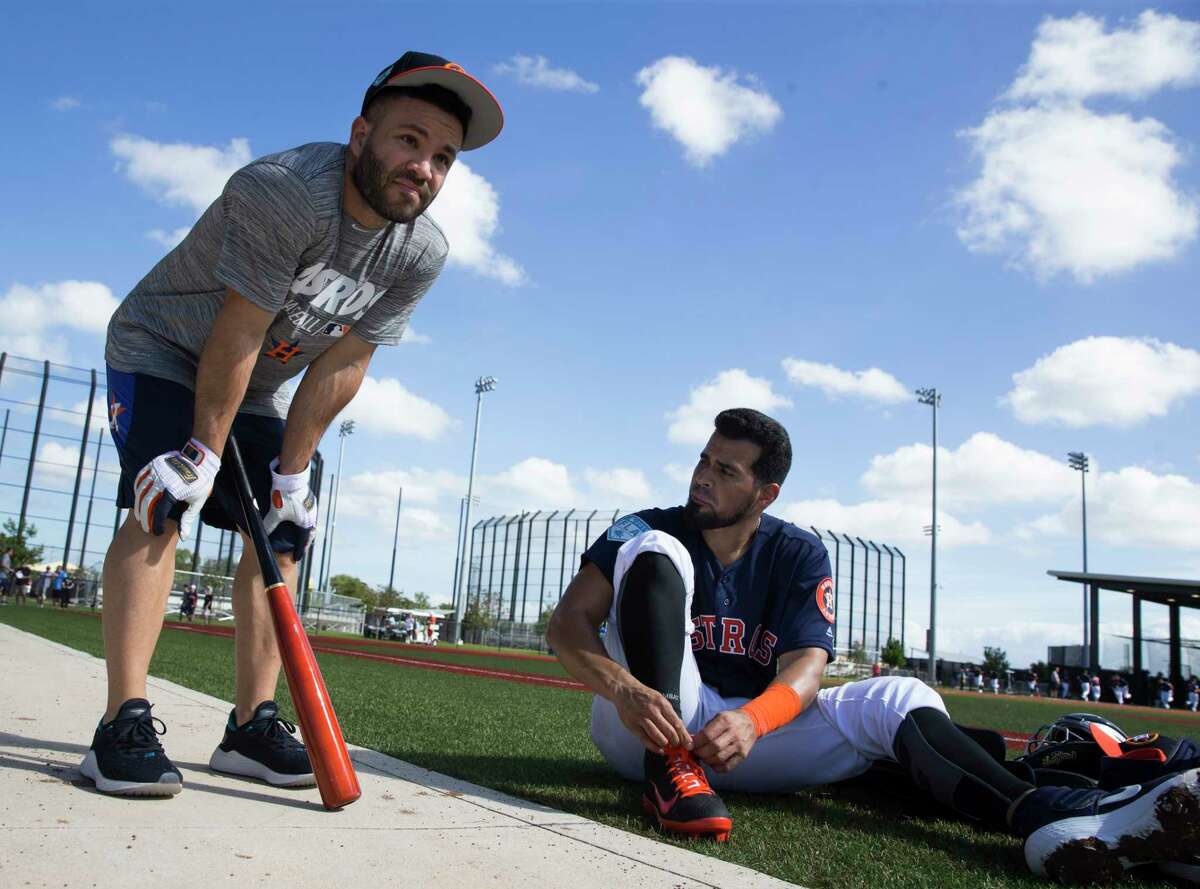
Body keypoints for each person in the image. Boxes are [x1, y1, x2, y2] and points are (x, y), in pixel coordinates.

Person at [79, 50, 504, 799]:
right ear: (360, 134)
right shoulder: (289, 193)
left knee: (283, 529)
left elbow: (344, 362)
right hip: (165, 347)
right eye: (409, 140)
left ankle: (249, 726)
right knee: (164, 499)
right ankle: (121, 723)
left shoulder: (421, 250)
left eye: (443, 157)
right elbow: (237, 333)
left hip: (256, 385)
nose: (425, 168)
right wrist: (201, 455)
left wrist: (292, 476)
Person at [546, 408, 1197, 883]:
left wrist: (753, 718)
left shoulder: (797, 549)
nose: (702, 477)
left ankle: (1048, 816)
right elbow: (568, 623)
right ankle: (669, 776)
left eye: (725, 469)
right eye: (703, 459)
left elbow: (807, 667)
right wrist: (624, 687)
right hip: (643, 721)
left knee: (900, 694)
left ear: (765, 493)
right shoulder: (648, 525)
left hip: (740, 735)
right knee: (654, 551)